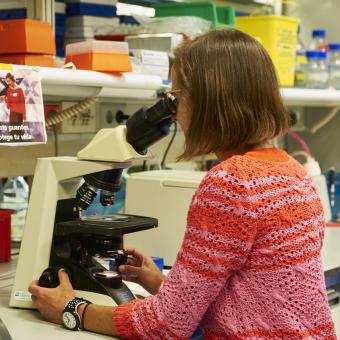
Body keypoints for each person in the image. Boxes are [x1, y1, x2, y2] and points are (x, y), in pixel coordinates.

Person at [28, 29, 336, 339]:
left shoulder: (231, 182)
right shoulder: (293, 171)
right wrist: (163, 284)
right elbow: (254, 300)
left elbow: (164, 326)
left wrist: (71, 309)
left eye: (177, 97)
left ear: (207, 100)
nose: (174, 115)